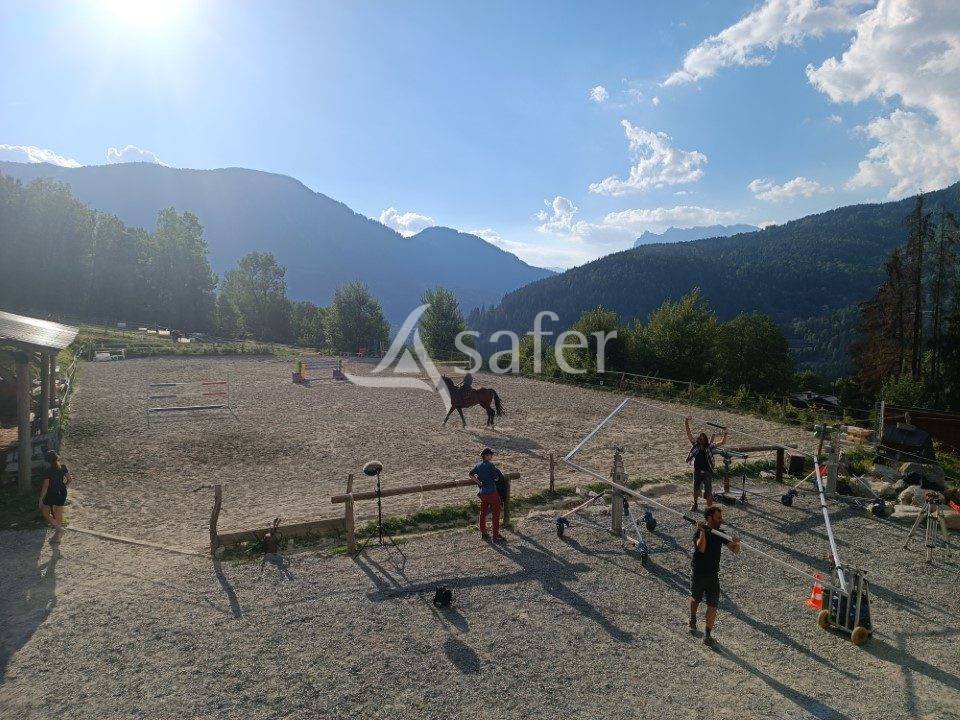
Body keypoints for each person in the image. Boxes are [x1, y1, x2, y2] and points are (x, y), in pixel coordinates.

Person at [689, 506, 741, 646]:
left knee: (713, 606)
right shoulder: (699, 532)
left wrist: (736, 543)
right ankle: (693, 618)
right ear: (710, 518)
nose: (721, 520)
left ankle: (707, 635)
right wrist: (702, 531)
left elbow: (735, 550)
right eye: (718, 518)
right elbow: (701, 548)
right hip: (699, 573)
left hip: (713, 575)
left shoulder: (720, 533)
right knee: (695, 600)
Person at [684, 417, 727, 512]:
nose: (700, 439)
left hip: (707, 472)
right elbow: (689, 434)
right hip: (697, 471)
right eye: (699, 438)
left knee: (708, 491)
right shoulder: (696, 445)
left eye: (701, 438)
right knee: (695, 489)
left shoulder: (709, 446)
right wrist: (686, 422)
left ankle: (710, 509)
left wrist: (725, 433)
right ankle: (695, 504)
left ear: (705, 440)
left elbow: (722, 442)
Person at [38, 450, 73, 545]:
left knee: (45, 512)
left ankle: (59, 529)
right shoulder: (63, 467)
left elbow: (45, 486)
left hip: (51, 493)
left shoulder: (48, 470)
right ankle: (57, 537)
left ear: (47, 460)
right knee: (58, 513)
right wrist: (64, 486)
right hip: (62, 492)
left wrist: (41, 499)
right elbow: (69, 479)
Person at [469, 447, 504, 541]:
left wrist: (479, 483)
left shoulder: (478, 465)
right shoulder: (490, 465)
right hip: (492, 492)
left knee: (483, 513)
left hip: (483, 493)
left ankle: (483, 532)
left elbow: (471, 474)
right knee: (496, 513)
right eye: (490, 455)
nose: (492, 456)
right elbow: (496, 478)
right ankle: (495, 535)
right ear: (486, 456)